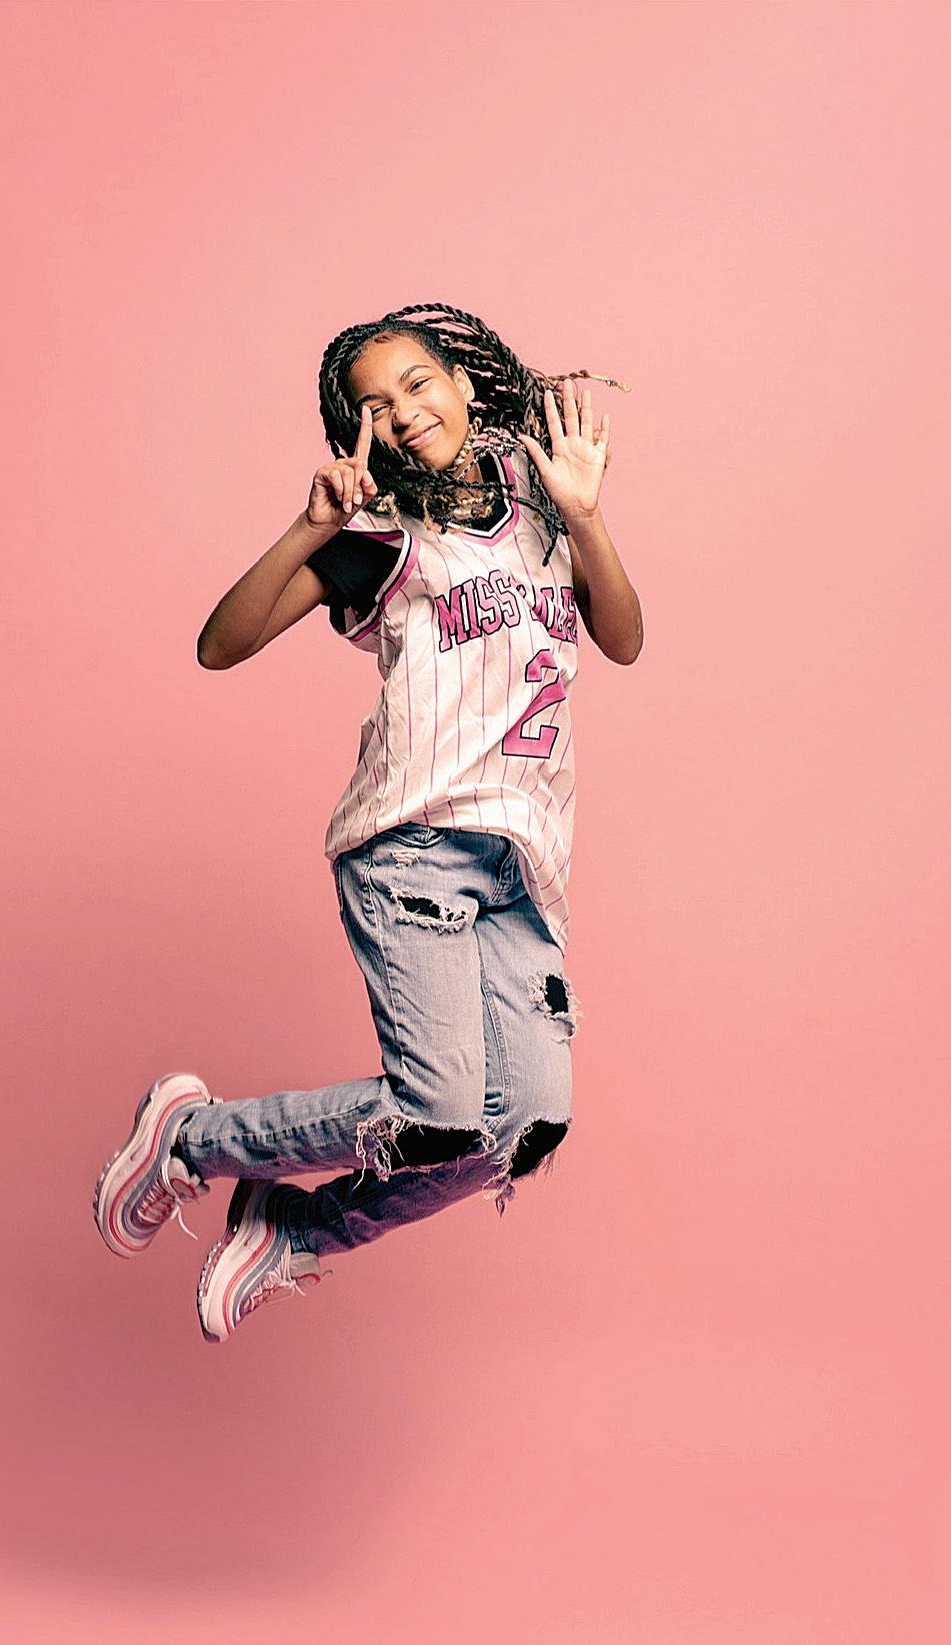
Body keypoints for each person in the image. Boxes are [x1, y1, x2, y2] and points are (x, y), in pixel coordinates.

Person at [93, 301, 642, 1344]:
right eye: (373, 405)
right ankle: (192, 1137)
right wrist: (310, 526)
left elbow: (620, 638)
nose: (401, 411)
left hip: (522, 863)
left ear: (464, 385)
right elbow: (219, 644)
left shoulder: (539, 496)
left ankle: (295, 1229)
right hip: (413, 849)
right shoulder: (378, 539)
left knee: (520, 1127)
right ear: (358, 431)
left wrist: (586, 516)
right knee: (437, 1112)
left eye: (417, 383)